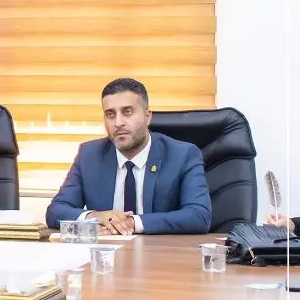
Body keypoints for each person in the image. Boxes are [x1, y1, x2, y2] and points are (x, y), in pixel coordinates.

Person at [46, 77, 212, 235]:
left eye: (127, 112)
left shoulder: (183, 155)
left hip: (159, 252)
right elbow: (56, 211)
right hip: (106, 251)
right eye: (110, 114)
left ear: (147, 117)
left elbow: (199, 215)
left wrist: (133, 223)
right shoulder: (89, 155)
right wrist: (94, 217)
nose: (118, 123)